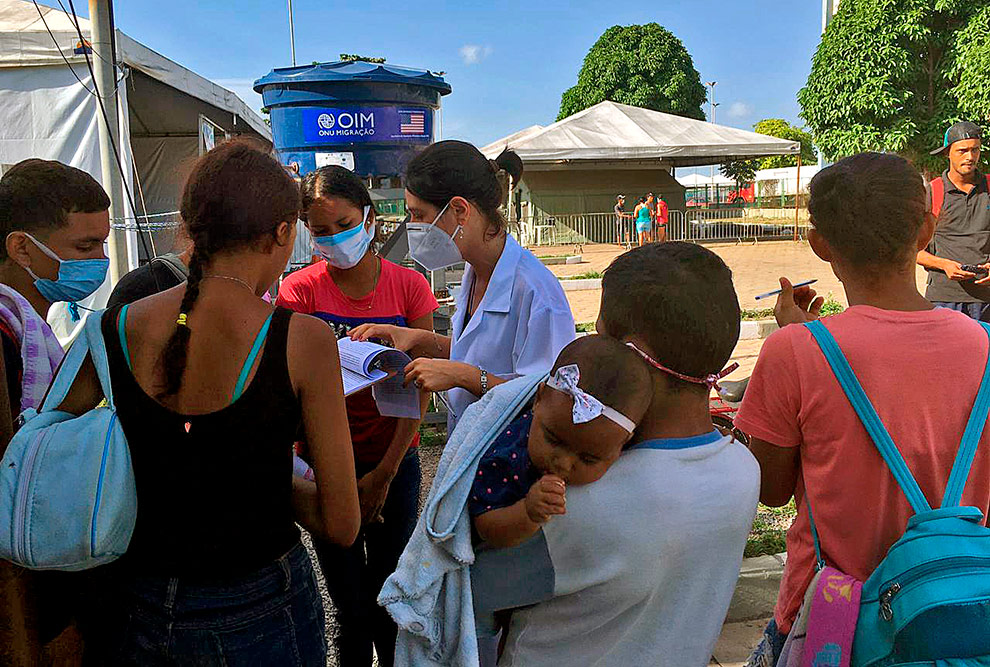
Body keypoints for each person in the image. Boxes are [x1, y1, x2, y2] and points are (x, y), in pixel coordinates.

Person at [64, 141, 361, 665]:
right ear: (281, 233)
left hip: (139, 602)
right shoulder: (301, 340)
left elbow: (61, 442)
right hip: (262, 604)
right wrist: (263, 475)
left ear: (192, 227)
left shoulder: (111, 328)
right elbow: (342, 524)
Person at [735, 153, 990, 665]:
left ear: (819, 243)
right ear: (926, 229)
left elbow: (771, 488)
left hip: (835, 619)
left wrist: (797, 339)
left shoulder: (795, 352)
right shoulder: (984, 345)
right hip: (960, 610)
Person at [469, 242, 761, 666]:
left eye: (600, 337)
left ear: (629, 354)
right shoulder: (743, 468)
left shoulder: (576, 501)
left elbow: (476, 588)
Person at [276, 165, 438, 667]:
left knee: (391, 596)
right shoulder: (298, 292)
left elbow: (422, 387)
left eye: (344, 224)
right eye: (320, 231)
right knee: (349, 607)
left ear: (369, 219)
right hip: (324, 463)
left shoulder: (410, 288)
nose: (333, 239)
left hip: (395, 455)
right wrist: (338, 479)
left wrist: (385, 474)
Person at [350, 141, 575, 430]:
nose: (413, 227)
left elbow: (549, 398)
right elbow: (476, 353)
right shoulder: (476, 269)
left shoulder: (537, 292)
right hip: (472, 449)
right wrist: (417, 339)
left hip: (512, 463)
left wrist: (463, 377)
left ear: (459, 210)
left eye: (419, 215)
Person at [0, 159, 111, 665]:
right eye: (85, 248)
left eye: (103, 244)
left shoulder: (34, 331)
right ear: (21, 247)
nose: (101, 261)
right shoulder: (6, 338)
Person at [470, 335, 652, 549]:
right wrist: (527, 513)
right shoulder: (506, 457)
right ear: (538, 400)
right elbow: (483, 526)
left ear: (624, 443)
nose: (563, 463)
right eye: (553, 440)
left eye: (589, 459)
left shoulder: (637, 460)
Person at [916, 121, 990, 321]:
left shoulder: (989, 187)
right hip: (943, 299)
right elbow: (911, 251)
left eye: (975, 150)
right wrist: (944, 265)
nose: (970, 157)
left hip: (986, 301)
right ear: (947, 152)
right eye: (962, 150)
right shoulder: (932, 192)